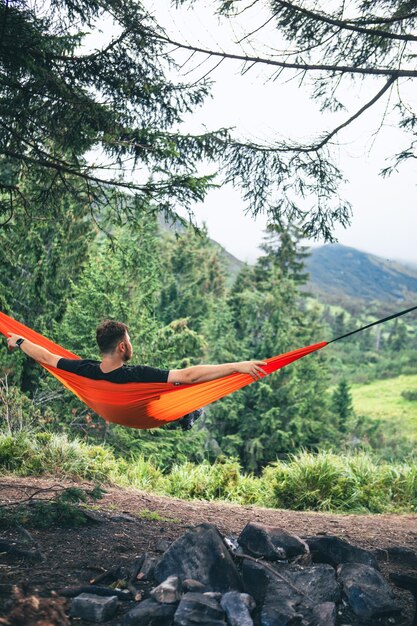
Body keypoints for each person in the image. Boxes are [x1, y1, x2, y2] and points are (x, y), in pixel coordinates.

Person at [6, 320, 267, 430]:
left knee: (174, 391)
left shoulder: (83, 369)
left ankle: (187, 412)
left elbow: (46, 356)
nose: (131, 345)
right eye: (129, 341)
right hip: (144, 412)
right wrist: (237, 366)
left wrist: (19, 341)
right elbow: (189, 376)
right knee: (178, 387)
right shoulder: (137, 375)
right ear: (122, 347)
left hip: (112, 408)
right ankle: (188, 412)